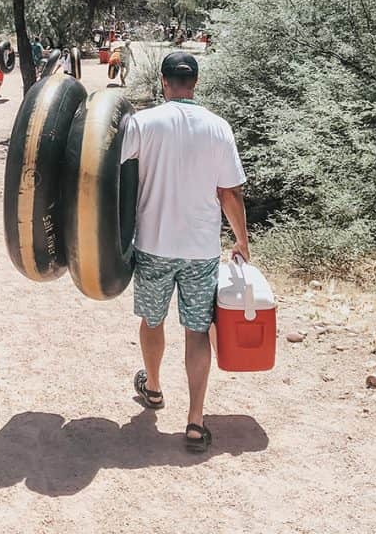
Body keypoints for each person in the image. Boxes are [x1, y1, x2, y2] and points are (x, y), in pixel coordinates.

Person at [120, 52, 248, 454]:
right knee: (197, 331)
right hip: (200, 250)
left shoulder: (143, 123)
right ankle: (195, 420)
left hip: (154, 245)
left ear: (163, 82)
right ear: (195, 82)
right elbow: (229, 193)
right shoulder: (218, 128)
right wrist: (242, 240)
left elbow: (110, 170)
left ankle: (154, 387)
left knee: (152, 320)